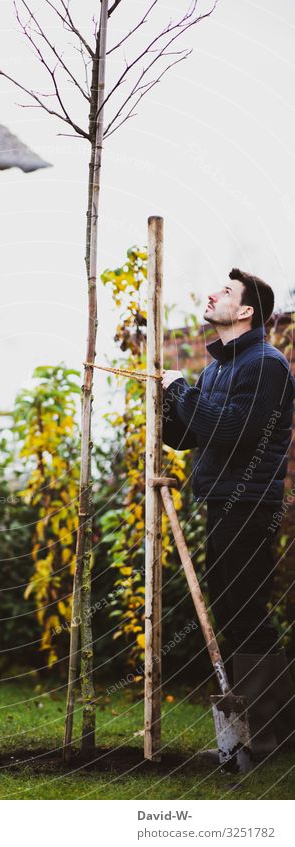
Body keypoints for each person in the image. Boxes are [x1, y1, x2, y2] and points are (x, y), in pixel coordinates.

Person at [162, 268, 295, 762]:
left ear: (245, 312)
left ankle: (269, 736)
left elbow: (234, 431)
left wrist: (181, 392)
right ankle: (265, 734)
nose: (212, 293)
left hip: (250, 504)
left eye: (226, 291)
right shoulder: (218, 368)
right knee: (233, 615)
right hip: (219, 502)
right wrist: (167, 400)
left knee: (245, 615)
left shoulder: (266, 365)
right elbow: (189, 435)